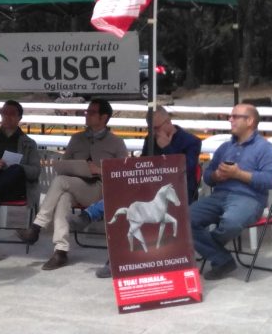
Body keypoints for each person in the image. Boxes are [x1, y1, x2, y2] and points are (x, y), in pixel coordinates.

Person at [69, 105, 202, 278]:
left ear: (168, 121)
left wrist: (167, 149)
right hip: (148, 186)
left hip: (176, 191)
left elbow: (186, 169)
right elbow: (144, 162)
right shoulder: (151, 138)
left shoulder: (191, 141)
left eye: (156, 128)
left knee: (130, 202)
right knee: (121, 195)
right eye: (150, 129)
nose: (154, 132)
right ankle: (89, 218)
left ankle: (97, 227)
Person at [16, 99, 128, 270]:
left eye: (92, 112)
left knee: (61, 183)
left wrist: (98, 170)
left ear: (104, 117)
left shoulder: (116, 143)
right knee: (63, 198)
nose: (87, 115)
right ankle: (60, 251)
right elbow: (64, 164)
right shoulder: (77, 138)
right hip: (75, 184)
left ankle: (37, 226)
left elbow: (123, 175)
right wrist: (74, 167)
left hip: (99, 189)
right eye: (87, 111)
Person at [191, 103, 272, 281]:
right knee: (184, 218)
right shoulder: (225, 148)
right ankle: (222, 258)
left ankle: (213, 251)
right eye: (229, 116)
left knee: (231, 221)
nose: (230, 120)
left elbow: (271, 180)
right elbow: (207, 176)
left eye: (234, 116)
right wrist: (216, 175)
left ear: (250, 121)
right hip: (219, 196)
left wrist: (239, 174)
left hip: (249, 198)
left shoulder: (265, 148)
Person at [0, 100, 41, 265]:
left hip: (16, 186)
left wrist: (18, 166)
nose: (7, 117)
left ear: (19, 117)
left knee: (15, 171)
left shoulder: (28, 143)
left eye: (12, 114)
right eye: (4, 113)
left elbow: (36, 171)